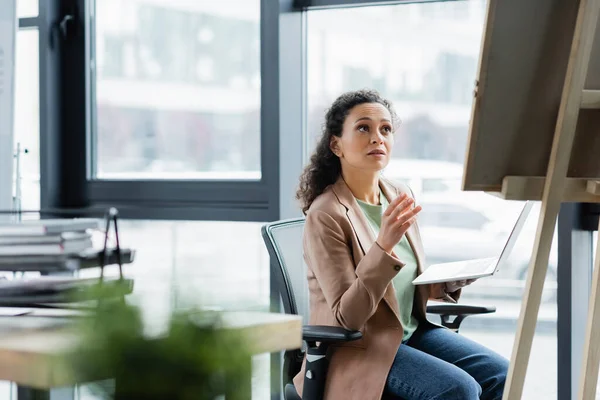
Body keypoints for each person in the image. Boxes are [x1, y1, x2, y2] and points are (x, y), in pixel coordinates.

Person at [294, 89, 508, 400]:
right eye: (363, 128)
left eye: (386, 129)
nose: (377, 138)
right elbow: (348, 317)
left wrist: (444, 285)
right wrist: (383, 246)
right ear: (335, 144)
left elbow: (400, 289)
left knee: (501, 374)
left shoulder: (398, 193)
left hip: (411, 332)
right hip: (362, 346)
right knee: (459, 390)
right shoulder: (326, 214)